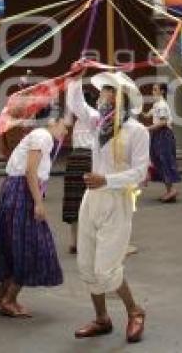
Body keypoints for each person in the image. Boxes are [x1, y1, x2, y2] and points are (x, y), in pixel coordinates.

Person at [67, 68, 149, 344]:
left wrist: (107, 179)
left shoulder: (137, 130)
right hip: (91, 199)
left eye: (109, 90)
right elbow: (76, 104)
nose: (103, 95)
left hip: (117, 199)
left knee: (107, 267)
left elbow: (140, 173)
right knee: (87, 262)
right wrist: (75, 76)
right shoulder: (98, 122)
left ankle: (135, 310)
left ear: (121, 97)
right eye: (104, 90)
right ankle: (102, 318)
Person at [0, 111, 68, 317]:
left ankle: (3, 293)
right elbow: (30, 171)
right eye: (64, 125)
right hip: (21, 192)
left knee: (16, 244)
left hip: (15, 190)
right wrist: (38, 202)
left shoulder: (40, 137)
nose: (65, 130)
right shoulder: (43, 136)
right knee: (30, 245)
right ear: (53, 122)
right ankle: (8, 298)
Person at [62, 88, 95, 254]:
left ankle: (77, 241)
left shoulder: (89, 116)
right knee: (80, 200)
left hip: (79, 158)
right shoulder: (88, 116)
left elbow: (75, 102)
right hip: (85, 159)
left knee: (80, 200)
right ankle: (77, 241)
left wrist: (75, 80)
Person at [144, 82, 181, 202]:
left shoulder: (162, 105)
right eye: (153, 89)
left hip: (164, 135)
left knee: (165, 160)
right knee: (159, 161)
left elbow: (163, 122)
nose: (153, 92)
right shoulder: (156, 105)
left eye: (155, 90)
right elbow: (146, 115)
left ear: (162, 91)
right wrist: (137, 107)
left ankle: (172, 190)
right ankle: (169, 191)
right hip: (158, 134)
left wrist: (148, 128)